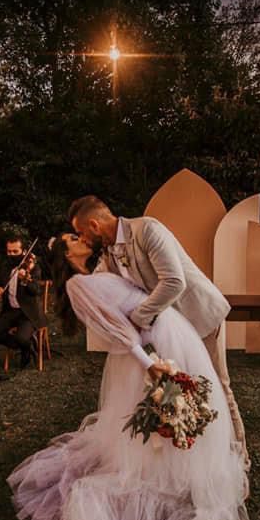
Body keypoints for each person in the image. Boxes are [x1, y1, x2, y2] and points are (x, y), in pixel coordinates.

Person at [7, 233, 250, 520]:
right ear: (67, 253)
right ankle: (156, 482)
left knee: (184, 409)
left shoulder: (99, 270)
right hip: (148, 354)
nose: (82, 238)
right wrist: (149, 364)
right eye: (74, 237)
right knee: (159, 420)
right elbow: (115, 328)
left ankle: (180, 472)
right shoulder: (77, 286)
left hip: (170, 336)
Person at [68, 195, 249, 466]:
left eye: (81, 232)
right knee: (182, 389)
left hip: (198, 316)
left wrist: (138, 317)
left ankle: (239, 457)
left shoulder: (147, 230)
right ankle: (195, 459)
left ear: (94, 225)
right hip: (170, 330)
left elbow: (174, 282)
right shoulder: (109, 252)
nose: (82, 239)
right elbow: (99, 284)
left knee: (218, 387)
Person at [0, 235, 47, 370]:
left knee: (21, 337)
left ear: (24, 251)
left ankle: (25, 348)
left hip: (29, 313)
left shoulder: (33, 267)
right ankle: (27, 347)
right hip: (10, 311)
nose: (11, 255)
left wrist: (26, 279)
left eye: (15, 251)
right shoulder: (4, 267)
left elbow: (36, 291)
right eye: (9, 251)